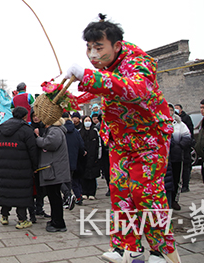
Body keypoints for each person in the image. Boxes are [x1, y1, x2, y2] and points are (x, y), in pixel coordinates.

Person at [63, 15, 179, 262]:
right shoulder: (107, 69)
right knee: (121, 193)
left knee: (145, 193)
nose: (92, 54)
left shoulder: (139, 62)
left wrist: (88, 76)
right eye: (89, 47)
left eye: (98, 47)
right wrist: (66, 97)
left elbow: (134, 89)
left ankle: (162, 251)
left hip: (149, 138)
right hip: (119, 139)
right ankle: (128, 248)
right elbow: (102, 90)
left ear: (116, 46)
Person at [0, 107, 38, 229]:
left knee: (6, 190)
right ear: (25, 116)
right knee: (21, 192)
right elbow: (33, 150)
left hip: (3, 166)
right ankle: (22, 219)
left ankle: (4, 216)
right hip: (22, 167)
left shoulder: (1, 128)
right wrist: (35, 166)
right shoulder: (26, 130)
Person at [36, 117, 70, 232]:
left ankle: (59, 223)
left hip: (54, 169)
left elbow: (50, 143)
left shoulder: (55, 130)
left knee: (55, 197)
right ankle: (55, 220)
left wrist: (38, 138)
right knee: (53, 196)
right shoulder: (55, 130)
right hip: (54, 168)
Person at [167, 104, 192, 210]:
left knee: (177, 178)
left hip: (177, 156)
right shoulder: (161, 123)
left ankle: (174, 200)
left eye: (171, 110)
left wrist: (180, 146)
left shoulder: (179, 123)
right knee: (168, 180)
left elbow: (187, 136)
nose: (170, 112)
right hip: (166, 157)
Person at [60, 112, 84, 208]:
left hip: (62, 159)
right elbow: (81, 145)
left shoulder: (60, 130)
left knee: (60, 180)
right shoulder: (75, 131)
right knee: (69, 179)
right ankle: (68, 198)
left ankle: (68, 196)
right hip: (73, 160)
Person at [79, 115, 100, 200]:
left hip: (93, 157)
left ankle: (92, 193)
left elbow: (99, 145)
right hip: (83, 158)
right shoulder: (80, 131)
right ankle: (84, 192)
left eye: (89, 120)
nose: (88, 122)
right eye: (86, 120)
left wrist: (98, 157)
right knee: (83, 176)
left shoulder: (95, 131)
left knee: (92, 177)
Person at [174, 103, 194, 193]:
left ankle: (185, 185)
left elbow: (189, 134)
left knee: (185, 167)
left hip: (184, 149)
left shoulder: (185, 119)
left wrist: (181, 145)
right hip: (175, 151)